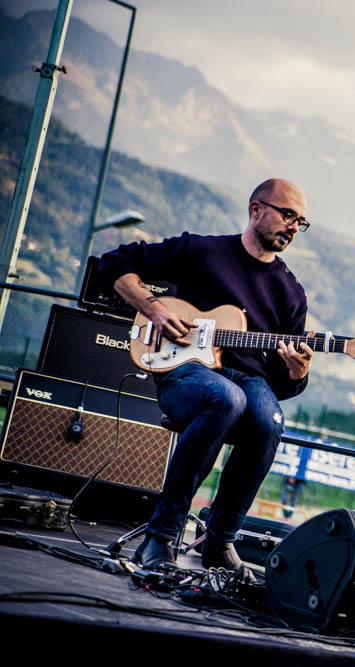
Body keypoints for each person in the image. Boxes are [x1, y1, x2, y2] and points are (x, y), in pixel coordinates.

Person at [99, 178, 314, 570]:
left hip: (249, 382)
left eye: (301, 221)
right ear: (256, 210)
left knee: (270, 421)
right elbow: (115, 262)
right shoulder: (202, 251)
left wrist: (297, 372)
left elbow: (282, 385)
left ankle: (218, 542)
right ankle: (161, 535)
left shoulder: (291, 293)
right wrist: (154, 310)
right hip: (184, 372)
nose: (293, 227)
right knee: (224, 397)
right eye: (287, 215)